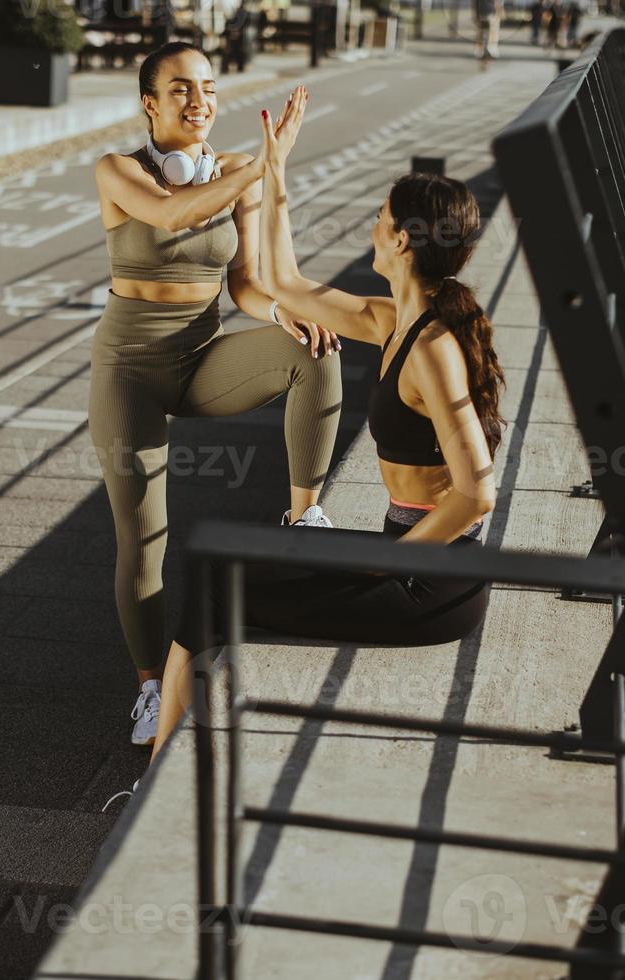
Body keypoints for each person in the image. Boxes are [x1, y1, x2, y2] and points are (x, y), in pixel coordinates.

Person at [149, 86, 506, 765]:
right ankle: (167, 758)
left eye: (379, 219)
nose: (371, 228)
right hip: (411, 566)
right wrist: (275, 170)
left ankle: (153, 779)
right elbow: (283, 281)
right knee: (217, 573)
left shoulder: (433, 346)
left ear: (400, 240)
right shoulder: (393, 318)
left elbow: (477, 492)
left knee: (215, 580)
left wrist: (387, 561)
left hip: (430, 588)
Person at [91, 44, 344, 748]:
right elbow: (172, 217)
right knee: (143, 541)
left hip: (200, 358)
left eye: (206, 86)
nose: (198, 99)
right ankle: (149, 690)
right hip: (131, 371)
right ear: (149, 102)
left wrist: (281, 312)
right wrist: (267, 163)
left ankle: (305, 523)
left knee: (312, 347)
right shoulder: (118, 172)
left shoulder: (239, 172)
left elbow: (248, 284)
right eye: (179, 89)